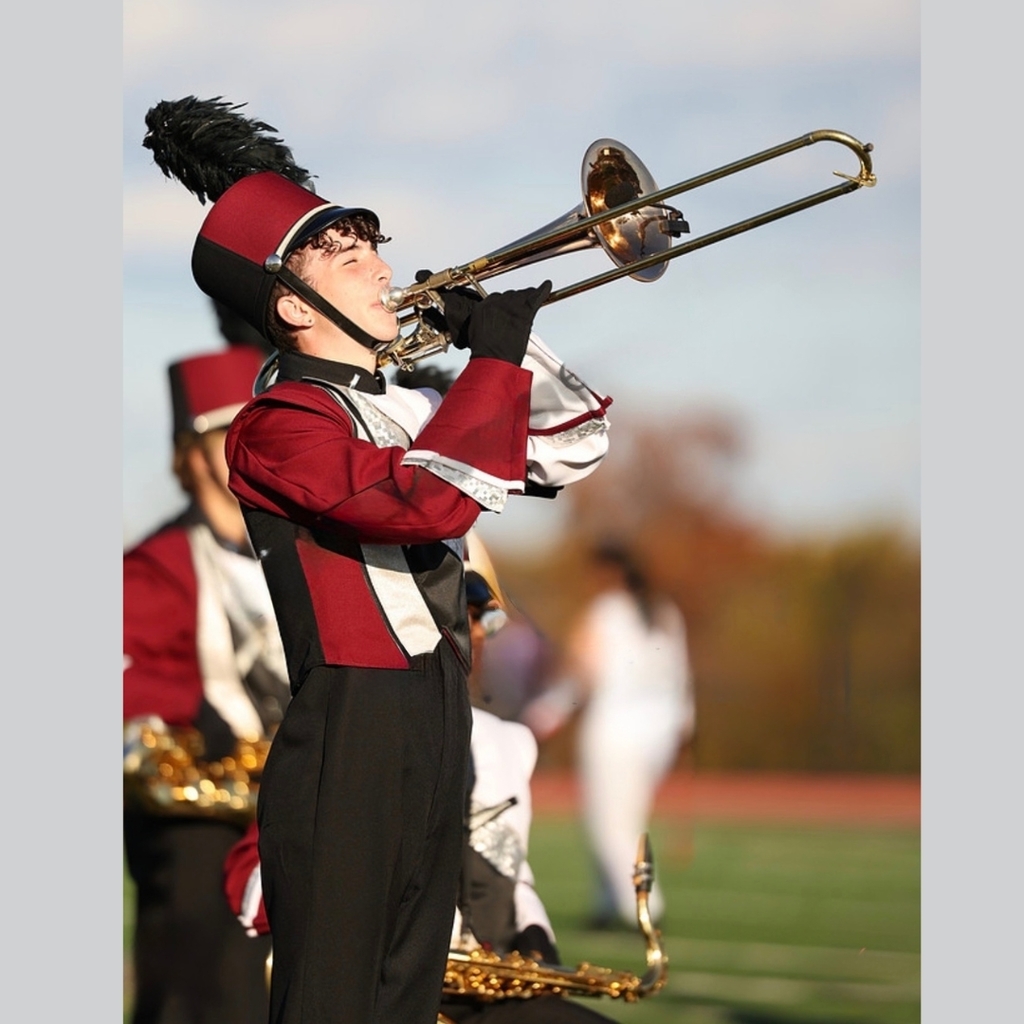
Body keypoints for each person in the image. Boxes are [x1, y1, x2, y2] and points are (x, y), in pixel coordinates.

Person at [143, 96, 611, 1024]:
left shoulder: (401, 409)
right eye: (349, 258)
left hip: (434, 713)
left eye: (376, 250)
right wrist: (491, 369)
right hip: (351, 728)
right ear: (290, 302)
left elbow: (572, 444)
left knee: (403, 1001)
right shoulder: (275, 423)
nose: (385, 270)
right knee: (334, 1005)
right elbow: (419, 500)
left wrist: (514, 348)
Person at [222, 534, 618, 1024]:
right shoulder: (356, 735)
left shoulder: (506, 744)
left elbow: (508, 865)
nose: (478, 632)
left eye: (487, 616)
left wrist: (533, 934)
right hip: (386, 989)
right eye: (468, 607)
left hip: (483, 994)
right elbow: (257, 881)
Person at [123, 346, 291, 1024]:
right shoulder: (156, 563)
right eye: (231, 437)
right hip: (200, 801)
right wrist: (186, 705)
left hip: (291, 790)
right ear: (191, 455)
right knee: (201, 972)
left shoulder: (302, 548)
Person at [526, 543, 694, 929]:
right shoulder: (665, 611)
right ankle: (607, 903)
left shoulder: (605, 612)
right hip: (660, 731)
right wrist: (686, 726)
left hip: (615, 728)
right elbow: (682, 676)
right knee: (630, 817)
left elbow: (583, 671)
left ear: (608, 572)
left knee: (609, 823)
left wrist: (545, 712)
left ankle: (644, 908)